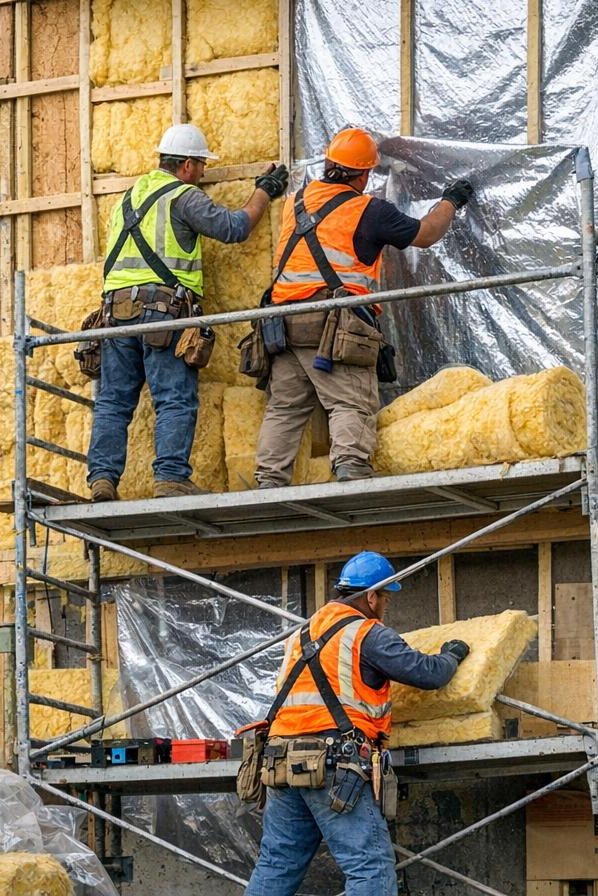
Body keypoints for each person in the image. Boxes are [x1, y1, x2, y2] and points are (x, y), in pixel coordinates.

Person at [253, 128, 472, 486]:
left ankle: (268, 480)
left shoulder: (296, 203)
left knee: (284, 408)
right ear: (364, 174)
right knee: (350, 401)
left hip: (283, 326)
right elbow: (427, 234)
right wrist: (451, 201)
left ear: (329, 165)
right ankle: (352, 469)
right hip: (333, 326)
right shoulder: (368, 211)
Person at [244, 552, 470, 896]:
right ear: (372, 596)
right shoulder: (366, 633)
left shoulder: (301, 634)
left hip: (280, 763)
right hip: (332, 764)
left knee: (277, 863)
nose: (385, 607)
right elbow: (427, 674)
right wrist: (452, 655)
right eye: (386, 598)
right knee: (370, 868)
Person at [86, 123, 289, 501]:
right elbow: (234, 228)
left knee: (113, 401)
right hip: (162, 313)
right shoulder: (182, 196)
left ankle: (102, 479)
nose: (202, 174)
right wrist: (264, 190)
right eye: (201, 166)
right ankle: (170, 478)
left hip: (115, 314)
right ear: (186, 165)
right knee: (174, 397)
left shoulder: (127, 199)